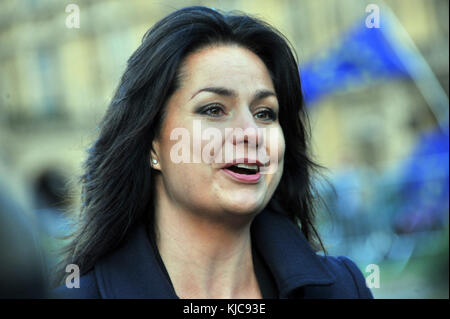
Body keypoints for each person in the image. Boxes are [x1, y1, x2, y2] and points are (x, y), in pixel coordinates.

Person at [52, 6, 373, 299]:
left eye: (265, 113)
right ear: (153, 145)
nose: (251, 134)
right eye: (214, 109)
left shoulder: (343, 289)